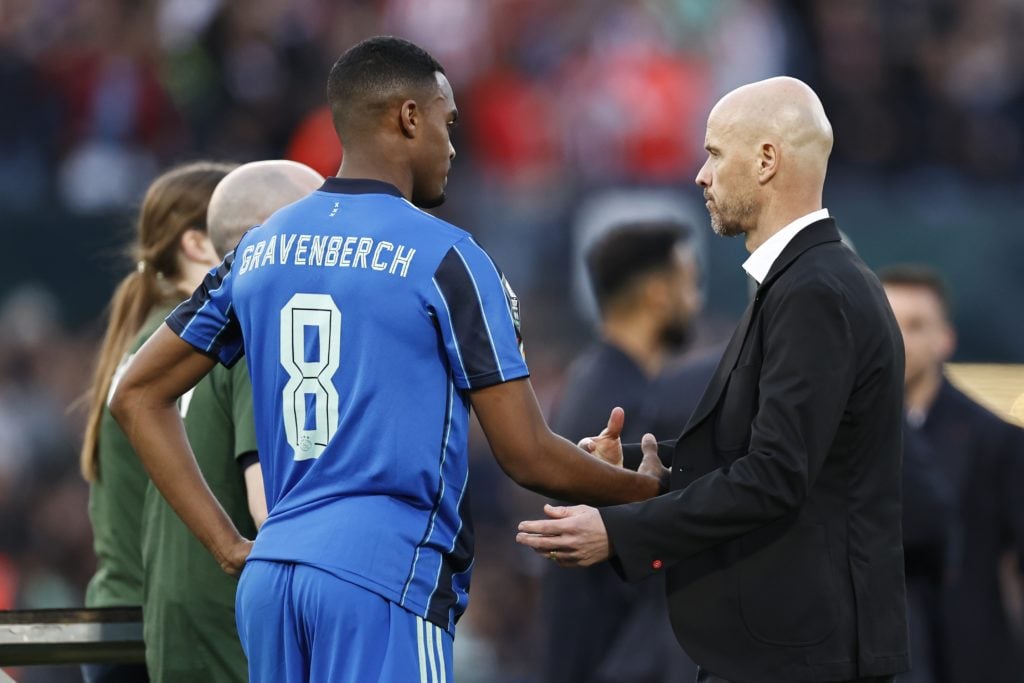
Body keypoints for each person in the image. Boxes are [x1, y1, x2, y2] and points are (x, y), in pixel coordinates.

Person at [108, 36, 661, 683]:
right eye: (448, 124)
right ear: (407, 117)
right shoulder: (447, 256)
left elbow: (135, 395)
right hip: (381, 579)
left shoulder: (257, 250)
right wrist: (643, 489)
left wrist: (229, 545)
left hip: (272, 583)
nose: (454, 149)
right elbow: (527, 452)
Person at [517, 76, 910, 683]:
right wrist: (652, 475)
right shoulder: (800, 282)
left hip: (803, 655)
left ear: (767, 160)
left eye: (715, 154)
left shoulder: (814, 290)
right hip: (787, 648)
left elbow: (776, 475)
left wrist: (618, 530)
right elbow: (777, 454)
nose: (701, 174)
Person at [140, 160, 323, 683]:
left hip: (176, 620)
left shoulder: (174, 339)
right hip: (233, 628)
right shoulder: (258, 326)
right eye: (314, 218)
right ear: (266, 234)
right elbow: (269, 507)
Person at [80, 161, 234, 683]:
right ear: (196, 244)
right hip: (157, 624)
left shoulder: (145, 341)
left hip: (123, 615)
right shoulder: (189, 352)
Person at [542, 221, 701, 683]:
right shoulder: (629, 404)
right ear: (657, 293)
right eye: (689, 285)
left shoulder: (587, 379)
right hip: (611, 654)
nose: (695, 301)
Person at [880, 264, 1024, 683]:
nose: (898, 338)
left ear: (945, 338)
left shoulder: (996, 439)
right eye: (887, 322)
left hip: (968, 659)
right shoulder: (840, 433)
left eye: (915, 325)